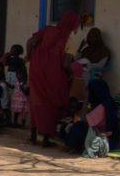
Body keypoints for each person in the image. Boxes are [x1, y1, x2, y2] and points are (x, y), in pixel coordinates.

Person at [27, 11, 81, 147]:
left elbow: (30, 41)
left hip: (36, 69)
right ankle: (45, 140)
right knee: (52, 102)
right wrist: (72, 73)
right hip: (53, 74)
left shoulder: (47, 30)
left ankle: (33, 137)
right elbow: (66, 64)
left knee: (36, 100)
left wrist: (29, 56)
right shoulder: (69, 41)